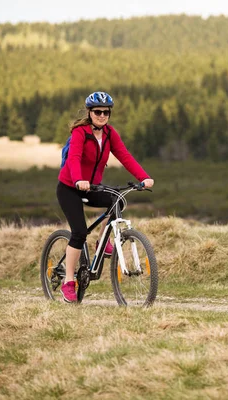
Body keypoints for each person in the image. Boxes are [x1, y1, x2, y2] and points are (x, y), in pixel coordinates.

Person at [57, 91, 154, 303]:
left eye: (106, 112)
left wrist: (144, 177)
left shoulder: (110, 134)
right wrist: (77, 180)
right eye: (98, 112)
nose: (102, 115)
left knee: (117, 199)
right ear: (90, 112)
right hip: (70, 187)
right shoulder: (80, 133)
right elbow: (73, 158)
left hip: (91, 187)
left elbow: (125, 156)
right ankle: (68, 281)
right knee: (79, 233)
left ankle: (103, 239)